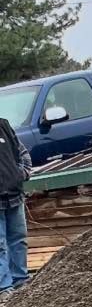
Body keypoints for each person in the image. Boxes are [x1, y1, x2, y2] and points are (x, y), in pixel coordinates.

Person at [0, 114, 32, 294]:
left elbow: (22, 152)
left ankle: (21, 279)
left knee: (18, 239)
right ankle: (4, 288)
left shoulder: (3, 125)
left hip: (14, 194)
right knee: (0, 244)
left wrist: (22, 174)